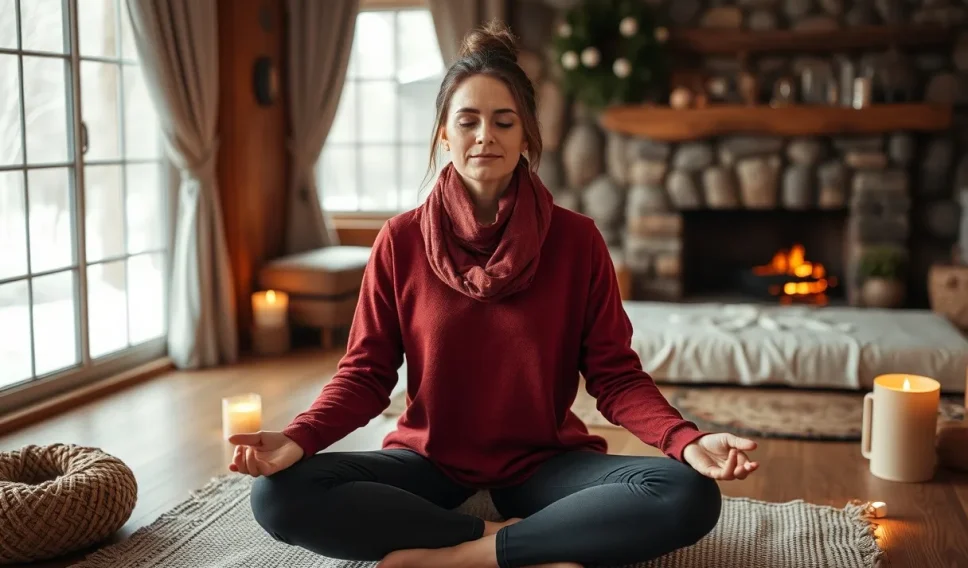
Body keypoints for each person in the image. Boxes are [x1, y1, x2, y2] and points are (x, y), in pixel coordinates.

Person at [228, 20, 758, 568]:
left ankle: (464, 557)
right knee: (277, 494)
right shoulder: (400, 240)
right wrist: (298, 437)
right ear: (443, 134)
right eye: (469, 121)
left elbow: (616, 376)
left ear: (527, 135)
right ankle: (504, 537)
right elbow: (365, 374)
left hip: (546, 463)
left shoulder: (577, 240)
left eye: (505, 121)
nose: (486, 136)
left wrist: (686, 441)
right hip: (427, 461)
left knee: (687, 493)